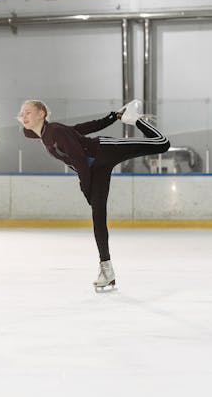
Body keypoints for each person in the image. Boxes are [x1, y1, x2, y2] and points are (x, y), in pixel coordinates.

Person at [18, 99, 170, 291]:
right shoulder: (45, 134)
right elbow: (80, 129)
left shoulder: (54, 130)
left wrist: (85, 187)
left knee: (162, 144)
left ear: (42, 113)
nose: (23, 116)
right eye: (22, 113)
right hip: (96, 170)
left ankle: (135, 119)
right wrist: (112, 117)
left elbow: (79, 160)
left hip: (104, 151)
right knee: (98, 218)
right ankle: (106, 269)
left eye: (28, 112)